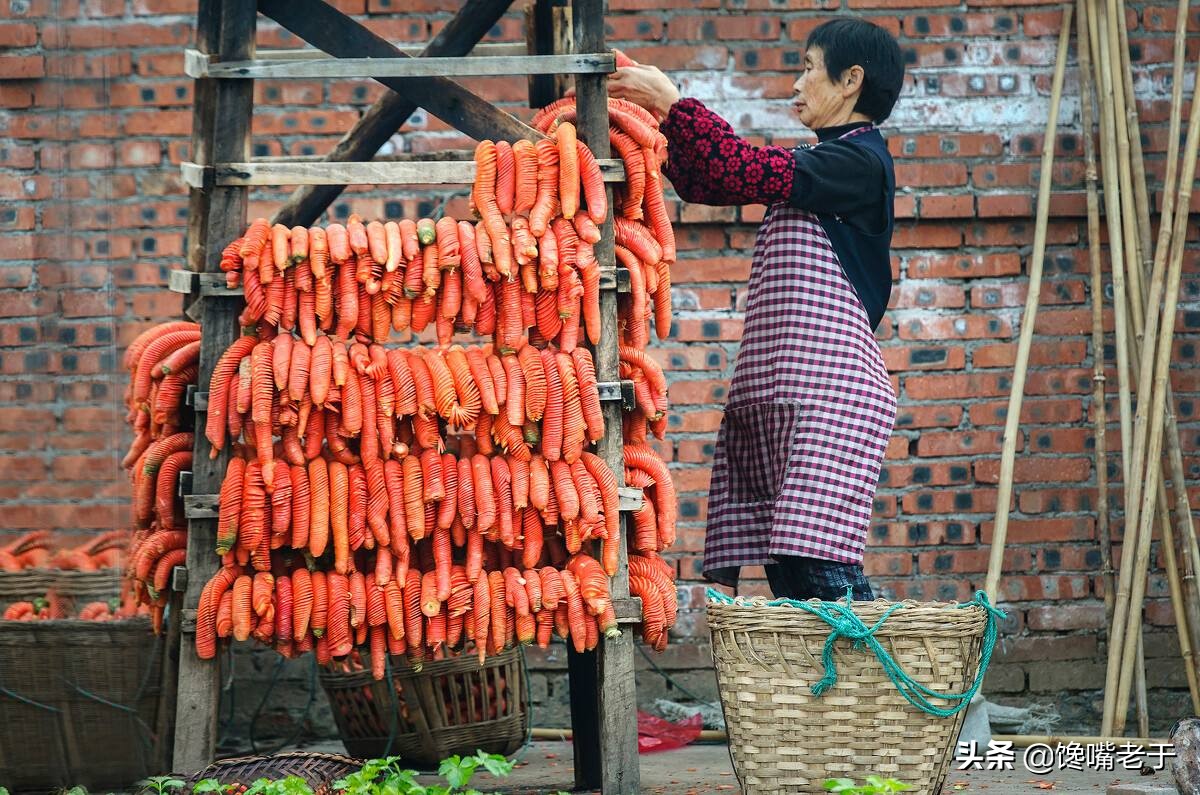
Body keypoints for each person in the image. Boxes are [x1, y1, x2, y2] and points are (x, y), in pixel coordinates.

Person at [608, 18, 905, 602]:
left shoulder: (859, 164)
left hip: (829, 402)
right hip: (779, 401)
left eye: (808, 68)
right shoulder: (822, 163)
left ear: (851, 80)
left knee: (824, 578)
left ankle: (880, 688)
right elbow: (707, 181)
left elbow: (738, 167)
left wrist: (675, 104)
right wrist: (648, 124)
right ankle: (816, 695)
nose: (796, 84)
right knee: (792, 586)